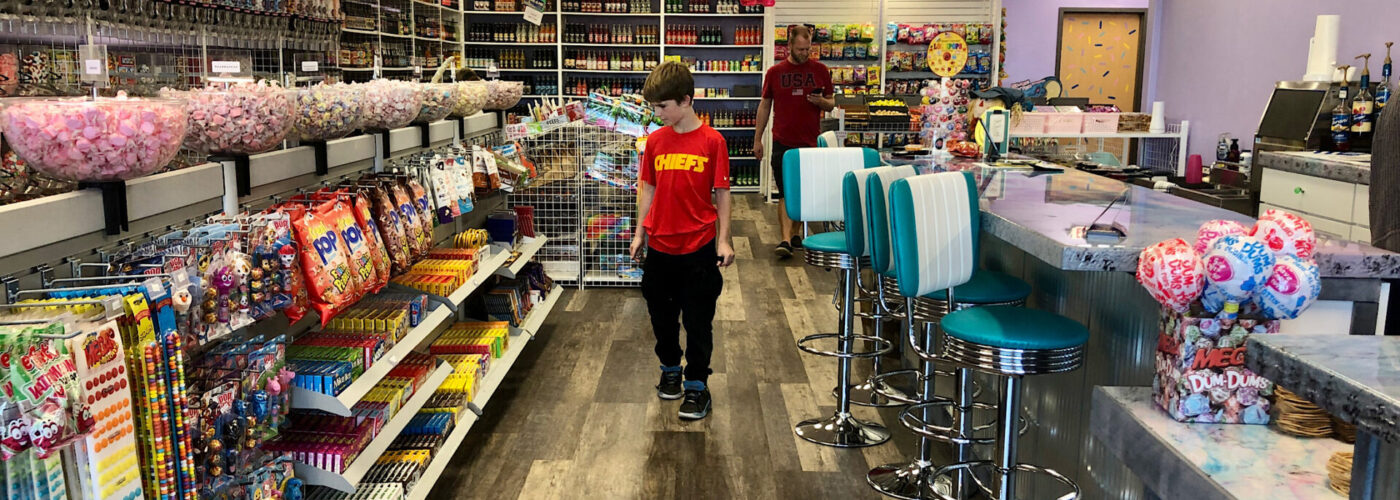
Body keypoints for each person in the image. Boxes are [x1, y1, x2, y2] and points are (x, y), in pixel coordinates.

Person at [630, 61, 736, 420]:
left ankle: (697, 385)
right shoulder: (656, 141)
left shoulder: (713, 141)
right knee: (661, 317)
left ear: (686, 100)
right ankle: (670, 370)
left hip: (698, 247)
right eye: (654, 106)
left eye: (663, 106)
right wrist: (639, 232)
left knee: (698, 320)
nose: (657, 113)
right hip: (660, 246)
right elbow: (648, 187)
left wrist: (724, 240)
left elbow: (722, 193)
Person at [754, 25, 835, 258]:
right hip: (783, 140)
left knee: (803, 192)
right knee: (785, 191)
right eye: (800, 49)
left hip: (810, 143)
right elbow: (765, 106)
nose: (804, 53)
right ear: (789, 45)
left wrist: (820, 102)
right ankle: (785, 239)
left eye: (808, 49)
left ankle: (796, 233)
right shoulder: (775, 72)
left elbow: (831, 103)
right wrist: (757, 139)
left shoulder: (820, 70)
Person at [967, 86, 1027, 153]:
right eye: (980, 99)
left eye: (987, 100)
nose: (981, 103)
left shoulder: (999, 124)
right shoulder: (977, 123)